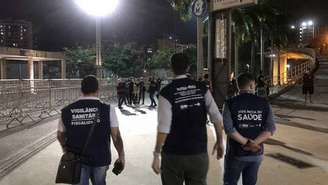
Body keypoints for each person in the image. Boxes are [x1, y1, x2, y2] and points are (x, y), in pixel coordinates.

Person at [151, 53, 224, 185]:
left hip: (173, 155)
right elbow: (216, 116)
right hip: (198, 153)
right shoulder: (202, 88)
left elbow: (164, 127)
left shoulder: (166, 92)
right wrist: (220, 141)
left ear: (171, 68)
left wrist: (156, 154)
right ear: (188, 67)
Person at [57, 75, 125, 185]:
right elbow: (116, 136)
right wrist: (121, 156)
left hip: (77, 160)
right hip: (100, 158)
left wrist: (65, 150)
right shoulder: (108, 109)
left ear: (81, 90)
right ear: (98, 90)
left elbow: (60, 135)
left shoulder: (66, 111)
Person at [222, 73, 276, 185]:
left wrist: (246, 142)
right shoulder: (264, 103)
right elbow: (270, 129)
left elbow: (229, 129)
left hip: (236, 154)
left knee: (230, 182)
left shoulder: (229, 103)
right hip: (256, 153)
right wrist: (254, 144)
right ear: (251, 85)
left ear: (238, 86)